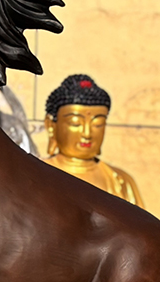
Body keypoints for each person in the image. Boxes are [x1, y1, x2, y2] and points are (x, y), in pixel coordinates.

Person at [42, 73, 143, 207]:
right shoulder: (36, 175)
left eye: (98, 124)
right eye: (76, 123)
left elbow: (139, 226)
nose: (87, 134)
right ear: (51, 125)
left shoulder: (120, 181)